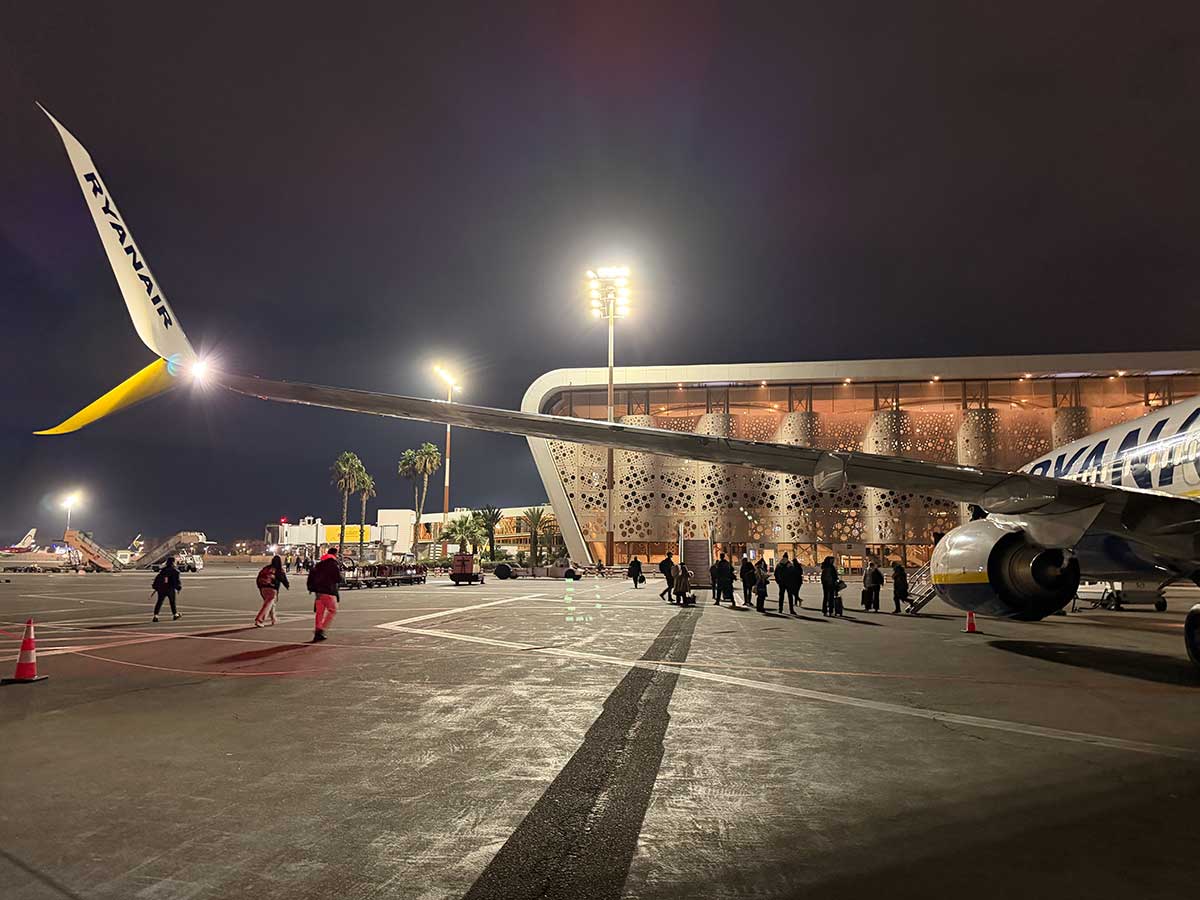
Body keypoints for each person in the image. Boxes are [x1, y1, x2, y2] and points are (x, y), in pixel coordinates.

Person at [307, 546, 342, 642]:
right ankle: (320, 630)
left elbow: (311, 575)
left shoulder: (319, 564)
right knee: (332, 610)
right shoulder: (333, 564)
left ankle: (318, 630)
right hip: (328, 590)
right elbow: (337, 578)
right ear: (335, 554)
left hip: (318, 592)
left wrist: (311, 588)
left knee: (320, 612)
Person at [255, 554, 290, 627]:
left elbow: (259, 577)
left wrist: (260, 587)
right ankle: (259, 620)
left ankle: (274, 619)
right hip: (272, 589)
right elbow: (283, 579)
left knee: (271, 604)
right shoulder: (279, 569)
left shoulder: (266, 568)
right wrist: (287, 585)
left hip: (263, 588)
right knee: (268, 604)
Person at [151, 556, 182, 622]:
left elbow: (158, 578)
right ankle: (175, 614)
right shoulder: (175, 570)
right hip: (170, 588)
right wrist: (178, 587)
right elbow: (176, 581)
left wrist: (156, 586)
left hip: (161, 588)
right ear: (173, 562)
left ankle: (155, 616)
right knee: (172, 602)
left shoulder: (163, 570)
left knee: (159, 602)